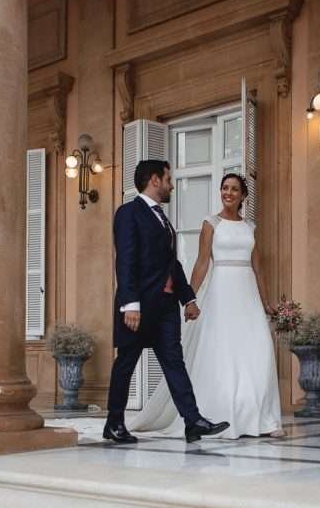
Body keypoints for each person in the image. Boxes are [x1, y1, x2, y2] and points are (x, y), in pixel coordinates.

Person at [129, 173, 284, 439]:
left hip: (248, 295)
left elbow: (258, 269)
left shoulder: (250, 227)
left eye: (234, 189)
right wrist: (189, 297)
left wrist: (266, 302)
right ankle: (223, 415)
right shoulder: (211, 223)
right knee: (224, 353)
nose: (228, 193)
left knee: (259, 351)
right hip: (222, 292)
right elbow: (202, 263)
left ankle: (263, 420)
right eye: (225, 188)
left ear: (243, 195)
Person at [104, 159, 230, 444]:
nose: (171, 185)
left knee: (175, 362)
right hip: (139, 306)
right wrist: (130, 304)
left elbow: (171, 264)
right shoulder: (128, 213)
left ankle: (193, 421)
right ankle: (114, 423)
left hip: (165, 308)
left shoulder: (162, 218)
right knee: (126, 363)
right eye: (168, 179)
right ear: (154, 180)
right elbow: (125, 260)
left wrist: (188, 299)